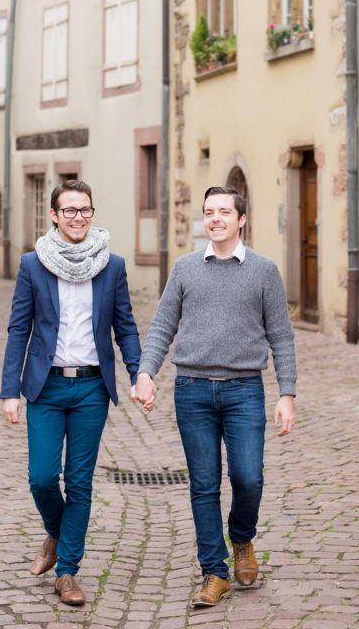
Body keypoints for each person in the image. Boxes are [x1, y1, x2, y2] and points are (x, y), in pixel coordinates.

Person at [133, 186, 296, 608]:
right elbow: (163, 325)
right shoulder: (185, 269)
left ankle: (242, 538)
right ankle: (214, 572)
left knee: (248, 477)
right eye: (209, 212)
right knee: (204, 484)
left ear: (241, 219)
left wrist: (287, 393)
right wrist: (146, 372)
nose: (216, 218)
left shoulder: (264, 271)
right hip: (192, 390)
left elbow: (281, 335)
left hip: (245, 390)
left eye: (225, 211)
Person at [0, 180, 141, 607]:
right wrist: (10, 390)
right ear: (54, 216)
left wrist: (139, 373)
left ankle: (67, 572)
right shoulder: (33, 264)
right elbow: (19, 329)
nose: (78, 217)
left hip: (91, 388)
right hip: (46, 385)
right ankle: (56, 533)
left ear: (92, 213)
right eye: (70, 211)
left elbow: (125, 326)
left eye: (85, 210)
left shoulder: (112, 265)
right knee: (42, 477)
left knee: (79, 482)